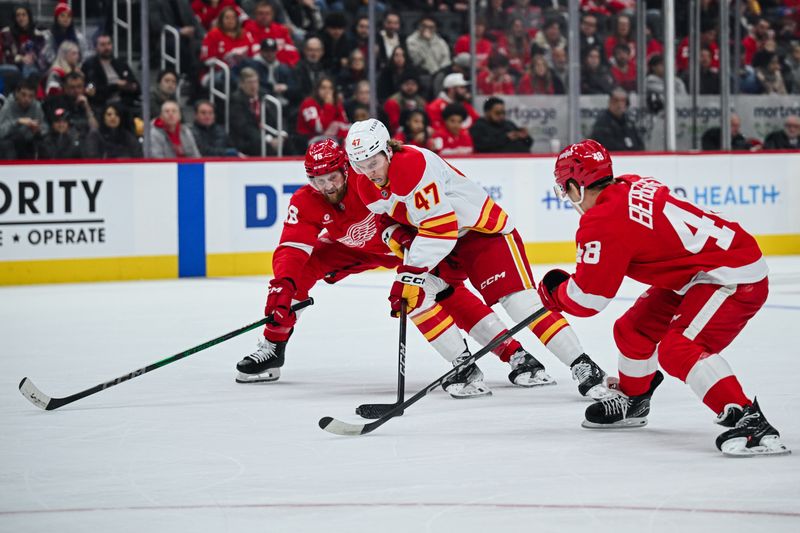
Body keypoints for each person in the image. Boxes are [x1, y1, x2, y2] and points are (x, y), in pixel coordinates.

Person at [236, 139, 569, 399]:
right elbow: (292, 246)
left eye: (332, 178)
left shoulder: (369, 182)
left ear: (347, 170)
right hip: (355, 250)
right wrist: (281, 287)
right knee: (297, 272)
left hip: (403, 245)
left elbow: (417, 214)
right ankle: (273, 346)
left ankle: (514, 354)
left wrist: (413, 261)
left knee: (443, 292)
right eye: (317, 180)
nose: (325, 187)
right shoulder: (306, 200)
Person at [539, 139, 790, 457]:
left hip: (731, 275)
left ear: (575, 186)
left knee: (678, 348)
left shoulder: (602, 221)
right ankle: (634, 401)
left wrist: (554, 294)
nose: (568, 197)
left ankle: (752, 423)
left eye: (566, 188)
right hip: (700, 270)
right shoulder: (632, 182)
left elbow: (589, 299)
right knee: (633, 328)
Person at [345, 119, 615, 399]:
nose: (368, 172)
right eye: (360, 165)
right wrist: (398, 237)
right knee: (412, 297)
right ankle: (465, 367)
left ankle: (584, 365)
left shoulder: (412, 165)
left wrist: (409, 271)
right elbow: (385, 219)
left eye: (373, 162)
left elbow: (442, 228)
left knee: (520, 303)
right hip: (442, 244)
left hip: (482, 233)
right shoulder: (364, 183)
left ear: (388, 150)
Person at [81, 34, 140, 114]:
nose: (106, 48)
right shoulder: (90, 65)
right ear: (96, 47)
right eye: (102, 45)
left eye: (109, 44)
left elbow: (135, 83)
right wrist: (116, 86)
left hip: (124, 102)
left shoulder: (120, 63)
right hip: (102, 103)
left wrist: (131, 86)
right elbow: (91, 84)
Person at [0, 79, 47, 159]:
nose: (26, 99)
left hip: (30, 142)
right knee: (11, 141)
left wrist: (38, 130)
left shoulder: (36, 106)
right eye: (23, 95)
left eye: (30, 96)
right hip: (11, 144)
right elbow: (1, 132)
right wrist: (17, 121)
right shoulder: (7, 106)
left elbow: (45, 128)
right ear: (16, 93)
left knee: (44, 143)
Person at [296, 75, 349, 145]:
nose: (327, 91)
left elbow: (344, 124)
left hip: (333, 139)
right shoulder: (308, 104)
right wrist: (328, 106)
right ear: (317, 89)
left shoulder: (336, 104)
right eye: (323, 88)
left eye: (330, 88)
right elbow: (318, 128)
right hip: (311, 140)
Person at [589, 87, 644, 151]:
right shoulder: (602, 124)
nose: (619, 104)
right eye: (616, 100)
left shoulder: (629, 123)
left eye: (623, 101)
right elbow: (608, 147)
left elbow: (640, 145)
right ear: (610, 102)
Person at [0, 5, 47, 79]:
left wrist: (34, 57)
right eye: (18, 15)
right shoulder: (6, 34)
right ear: (14, 18)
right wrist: (20, 58)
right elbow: (4, 56)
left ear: (29, 17)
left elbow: (43, 56)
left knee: (30, 67)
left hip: (33, 66)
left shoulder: (38, 35)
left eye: (24, 15)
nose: (21, 18)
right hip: (12, 67)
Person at [40, 2, 90, 69]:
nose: (66, 19)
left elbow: (85, 54)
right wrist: (64, 67)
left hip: (76, 69)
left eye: (69, 16)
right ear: (56, 18)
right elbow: (49, 56)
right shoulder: (49, 36)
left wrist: (78, 66)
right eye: (62, 16)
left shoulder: (78, 36)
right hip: (57, 69)